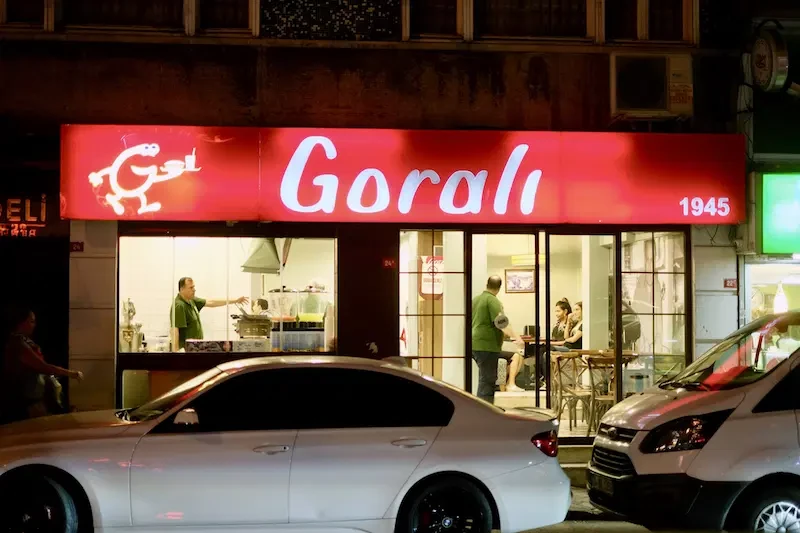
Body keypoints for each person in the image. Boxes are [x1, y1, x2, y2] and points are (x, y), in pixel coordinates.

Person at [0, 307, 83, 423]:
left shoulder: (24, 341)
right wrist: (71, 373)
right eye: (31, 321)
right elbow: (44, 367)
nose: (34, 325)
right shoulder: (17, 344)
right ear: (21, 322)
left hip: (33, 399)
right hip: (26, 403)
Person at [471, 276, 524, 403]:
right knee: (488, 380)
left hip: (474, 344)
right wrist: (517, 338)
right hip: (487, 345)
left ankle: (482, 409)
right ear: (499, 287)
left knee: (484, 378)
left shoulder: (475, 300)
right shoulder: (492, 300)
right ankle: (485, 412)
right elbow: (501, 323)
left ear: (486, 284)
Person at [170, 277, 249, 351]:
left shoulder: (191, 300)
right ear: (182, 289)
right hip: (186, 350)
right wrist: (176, 353)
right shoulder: (179, 305)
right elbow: (174, 330)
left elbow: (211, 302)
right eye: (191, 288)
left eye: (194, 287)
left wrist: (235, 300)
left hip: (195, 348)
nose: (194, 290)